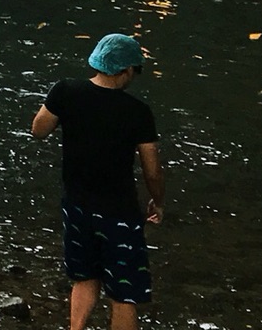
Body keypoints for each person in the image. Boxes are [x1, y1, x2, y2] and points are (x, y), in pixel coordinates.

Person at [30, 33, 165, 330]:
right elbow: (151, 169)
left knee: (84, 276)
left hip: (77, 205)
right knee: (124, 294)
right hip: (119, 212)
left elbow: (39, 130)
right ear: (127, 70)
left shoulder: (65, 91)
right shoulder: (137, 112)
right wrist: (158, 200)